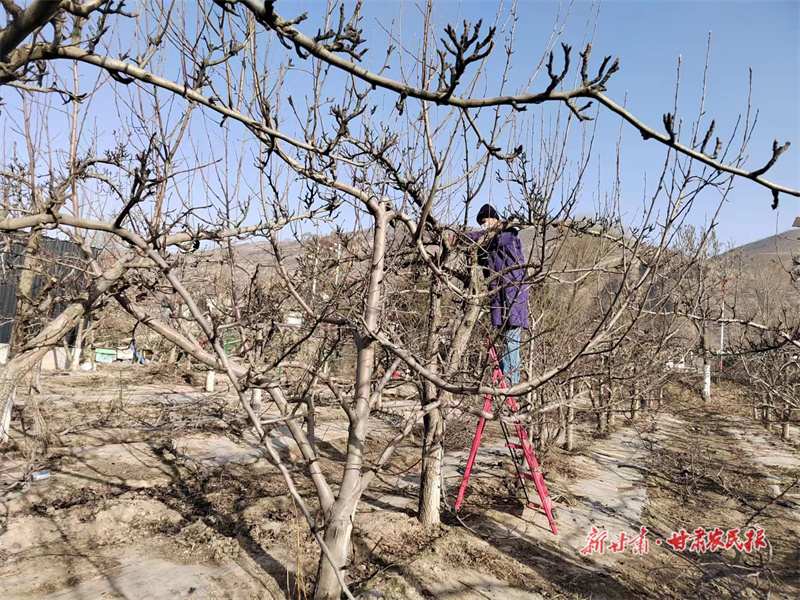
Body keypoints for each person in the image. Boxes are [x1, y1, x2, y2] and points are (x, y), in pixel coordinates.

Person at [464, 204, 530, 385]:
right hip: (501, 295)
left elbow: (487, 239)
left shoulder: (507, 234)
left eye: (484, 222)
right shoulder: (491, 244)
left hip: (513, 292)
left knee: (511, 340)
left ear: (493, 218)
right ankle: (505, 378)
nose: (484, 226)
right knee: (505, 340)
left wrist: (461, 238)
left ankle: (510, 383)